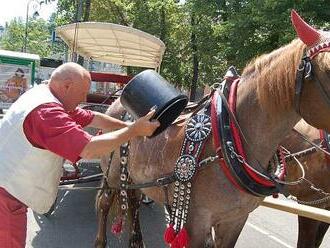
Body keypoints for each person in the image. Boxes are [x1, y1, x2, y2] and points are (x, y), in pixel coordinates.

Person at [0, 62, 160, 248]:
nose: (84, 97)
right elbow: (89, 148)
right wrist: (133, 130)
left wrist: (128, 126)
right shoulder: (46, 112)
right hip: (7, 196)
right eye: (83, 92)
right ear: (67, 85)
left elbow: (91, 116)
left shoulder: (43, 95)